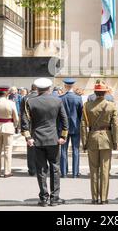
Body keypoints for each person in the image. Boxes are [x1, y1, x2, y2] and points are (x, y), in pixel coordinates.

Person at [22, 78, 68, 207]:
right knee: (55, 168)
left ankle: (43, 198)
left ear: (37, 88)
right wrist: (63, 136)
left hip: (37, 139)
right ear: (49, 88)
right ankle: (55, 198)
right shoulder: (57, 100)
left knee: (41, 169)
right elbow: (64, 120)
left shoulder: (30, 101)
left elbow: (24, 122)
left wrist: (28, 138)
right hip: (53, 139)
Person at [81, 81, 118, 204]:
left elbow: (83, 126)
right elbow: (115, 126)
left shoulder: (87, 106)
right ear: (105, 92)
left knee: (93, 170)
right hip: (106, 139)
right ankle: (103, 198)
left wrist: (84, 142)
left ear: (95, 92)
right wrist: (115, 141)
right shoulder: (111, 106)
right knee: (105, 170)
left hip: (92, 138)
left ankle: (94, 197)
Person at [0, 85, 19, 178]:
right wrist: (15, 125)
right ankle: (7, 171)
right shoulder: (11, 103)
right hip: (8, 127)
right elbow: (16, 118)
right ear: (7, 93)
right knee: (8, 150)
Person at [59, 78, 83, 178]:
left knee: (63, 150)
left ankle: (64, 172)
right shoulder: (78, 98)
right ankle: (75, 173)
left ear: (65, 86)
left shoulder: (61, 98)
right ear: (73, 86)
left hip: (63, 127)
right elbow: (80, 114)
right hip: (75, 126)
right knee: (75, 150)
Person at [20, 84, 38, 176]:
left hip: (30, 125)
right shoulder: (42, 97)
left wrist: (23, 129)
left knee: (30, 148)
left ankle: (32, 169)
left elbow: (23, 115)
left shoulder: (25, 98)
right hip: (40, 125)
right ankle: (40, 167)